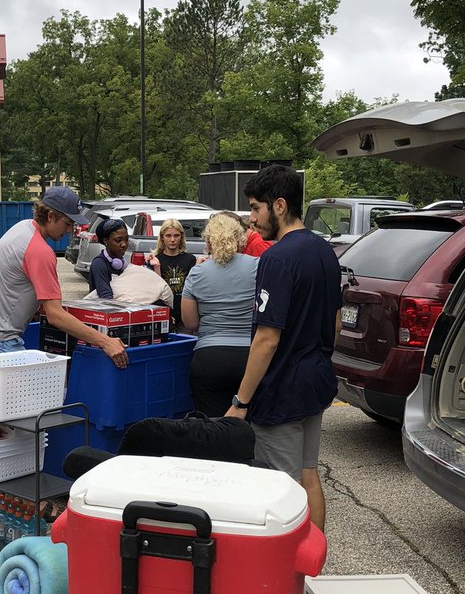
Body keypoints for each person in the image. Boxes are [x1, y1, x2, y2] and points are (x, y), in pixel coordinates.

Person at [225, 164, 342, 530]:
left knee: (280, 489)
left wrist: (240, 402)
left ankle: (287, 578)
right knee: (309, 475)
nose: (251, 218)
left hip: (281, 392)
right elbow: (335, 321)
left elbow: (266, 337)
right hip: (315, 380)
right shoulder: (324, 250)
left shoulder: (276, 258)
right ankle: (312, 565)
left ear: (279, 205)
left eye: (256, 208)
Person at [0, 186, 128, 367]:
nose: (69, 230)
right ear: (50, 216)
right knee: (35, 394)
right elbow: (55, 315)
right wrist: (105, 341)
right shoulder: (40, 251)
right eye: (68, 223)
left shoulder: (23, 228)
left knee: (0, 393)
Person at [180, 212, 258, 416]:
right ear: (240, 237)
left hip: (210, 357)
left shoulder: (197, 273)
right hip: (251, 357)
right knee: (251, 425)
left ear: (208, 240)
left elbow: (190, 322)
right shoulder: (258, 266)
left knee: (212, 428)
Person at [145, 218, 196, 328]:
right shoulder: (156, 260)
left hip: (184, 315)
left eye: (176, 236)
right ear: (162, 238)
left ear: (181, 237)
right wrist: (156, 267)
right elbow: (154, 292)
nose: (172, 239)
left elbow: (193, 289)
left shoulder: (190, 259)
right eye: (168, 236)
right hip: (164, 314)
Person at [87, 218, 129, 299]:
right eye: (118, 240)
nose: (124, 244)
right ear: (106, 240)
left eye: (126, 239)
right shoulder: (99, 264)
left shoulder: (123, 264)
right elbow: (106, 297)